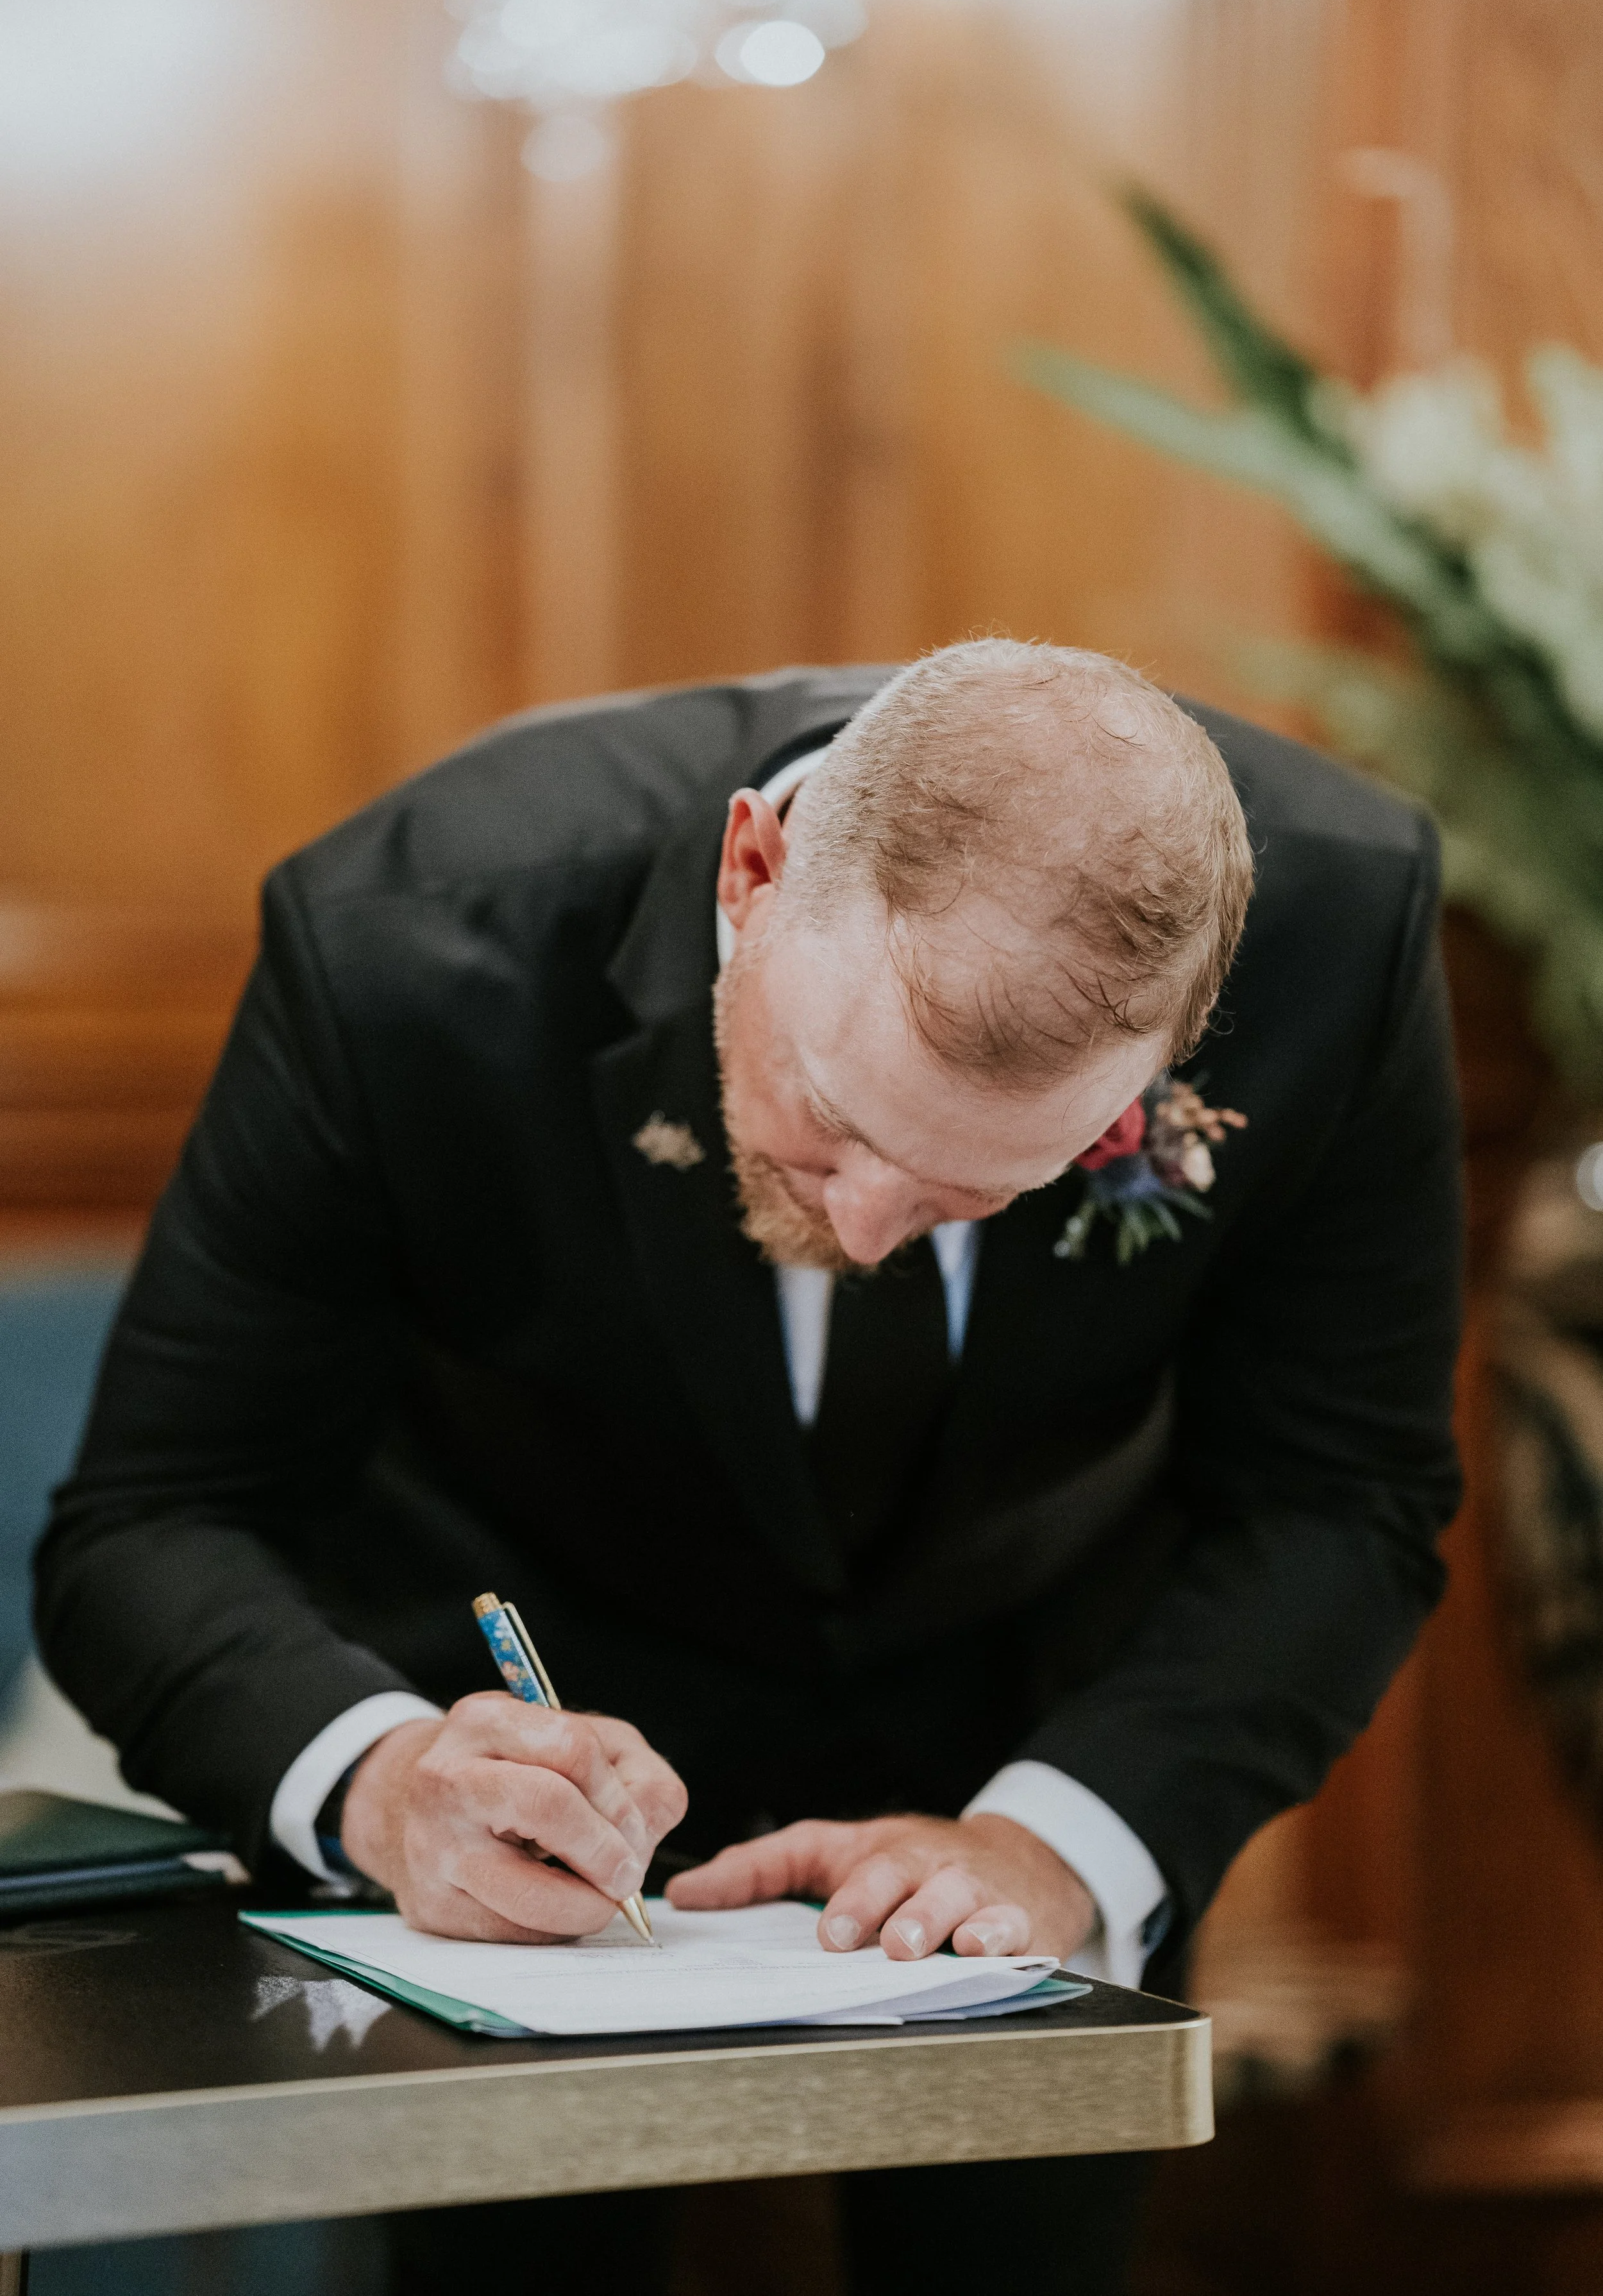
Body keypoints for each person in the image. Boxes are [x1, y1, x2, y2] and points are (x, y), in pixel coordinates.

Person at [35, 640, 1463, 2292]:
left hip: (1033, 1727)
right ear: (754, 872)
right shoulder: (410, 938)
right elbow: (150, 1519)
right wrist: (384, 1782)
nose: (863, 1231)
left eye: (975, 1190)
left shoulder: (1340, 927)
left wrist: (1065, 1841)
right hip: (532, 1764)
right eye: (837, 1120)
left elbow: (1341, 1494)